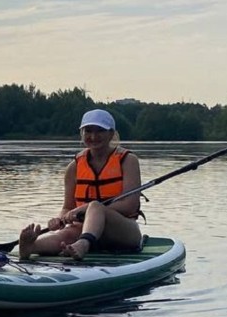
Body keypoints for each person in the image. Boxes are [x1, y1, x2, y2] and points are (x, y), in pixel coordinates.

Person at [19, 108, 143, 260]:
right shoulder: (74, 167)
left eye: (100, 131)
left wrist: (89, 208)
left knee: (96, 206)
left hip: (122, 230)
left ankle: (83, 244)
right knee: (65, 234)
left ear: (111, 134)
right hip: (83, 227)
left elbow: (130, 205)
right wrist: (60, 219)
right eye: (88, 131)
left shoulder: (128, 160)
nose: (93, 136)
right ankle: (31, 246)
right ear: (82, 134)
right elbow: (67, 206)